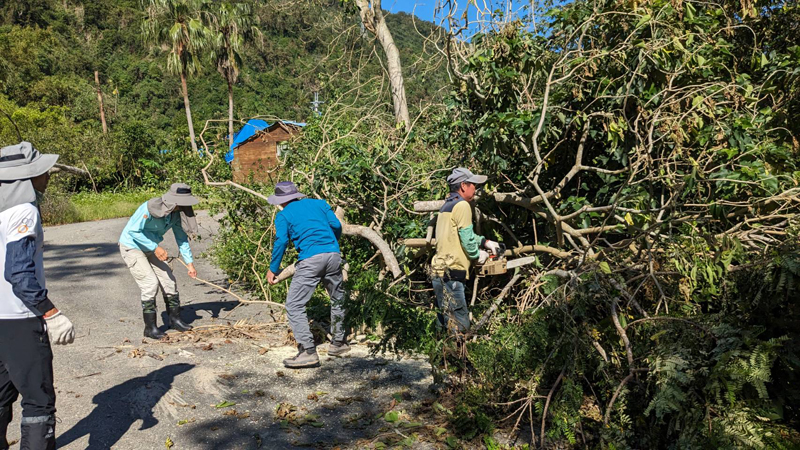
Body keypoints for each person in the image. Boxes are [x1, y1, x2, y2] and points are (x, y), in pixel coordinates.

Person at [0, 142, 75, 450]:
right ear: (27, 177)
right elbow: (18, 272)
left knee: (2, 392)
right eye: (42, 171)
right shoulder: (23, 211)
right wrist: (50, 312)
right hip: (19, 317)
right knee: (38, 400)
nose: (48, 176)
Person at [266, 181, 348, 368]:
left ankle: (308, 351)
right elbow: (336, 225)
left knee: (294, 304)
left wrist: (273, 268)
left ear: (280, 201)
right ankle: (338, 343)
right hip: (334, 255)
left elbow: (281, 242)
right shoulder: (319, 204)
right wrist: (331, 245)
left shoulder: (284, 215)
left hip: (310, 260)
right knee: (337, 298)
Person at [118, 183, 199, 339]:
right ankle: (150, 328)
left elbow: (181, 238)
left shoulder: (176, 214)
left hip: (151, 247)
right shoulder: (149, 208)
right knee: (150, 283)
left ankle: (175, 320)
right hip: (132, 246)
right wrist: (155, 248)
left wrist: (189, 264)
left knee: (169, 281)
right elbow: (133, 231)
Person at [431, 167, 502, 333]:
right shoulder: (462, 205)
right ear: (463, 186)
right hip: (452, 274)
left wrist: (485, 242)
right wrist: (478, 255)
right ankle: (457, 357)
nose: (475, 189)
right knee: (460, 324)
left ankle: (443, 357)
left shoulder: (446, 206)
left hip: (439, 273)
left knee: (444, 323)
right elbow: (468, 242)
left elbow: (462, 234)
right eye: (473, 185)